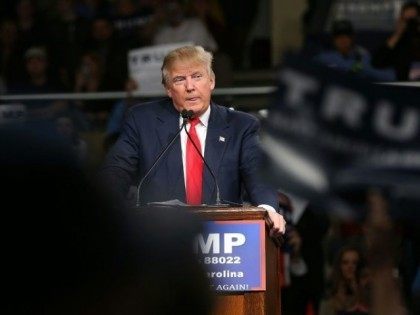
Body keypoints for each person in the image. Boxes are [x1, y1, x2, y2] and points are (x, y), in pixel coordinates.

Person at [101, 45, 286, 237]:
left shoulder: (241, 126)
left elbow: (258, 173)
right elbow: (117, 168)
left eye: (197, 76)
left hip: (223, 239)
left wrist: (268, 209)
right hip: (159, 236)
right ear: (168, 89)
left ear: (212, 81)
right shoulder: (142, 120)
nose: (190, 87)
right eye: (180, 79)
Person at [314, 19, 395, 81]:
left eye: (346, 35)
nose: (342, 39)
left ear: (352, 37)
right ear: (333, 39)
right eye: (338, 36)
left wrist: (360, 66)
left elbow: (389, 76)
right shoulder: (324, 58)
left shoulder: (362, 57)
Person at [371, 1, 420, 81]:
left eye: (413, 20)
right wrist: (397, 35)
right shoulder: (399, 43)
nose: (411, 25)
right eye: (406, 21)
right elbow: (377, 62)